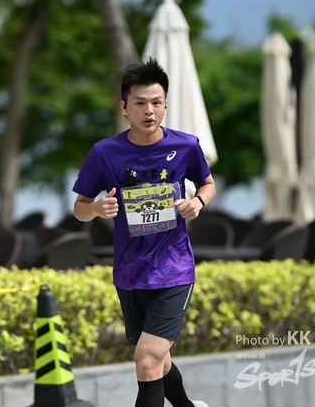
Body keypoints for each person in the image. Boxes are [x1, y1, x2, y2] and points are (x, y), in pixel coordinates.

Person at [72, 58, 215, 407]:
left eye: (156, 102)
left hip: (174, 268)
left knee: (147, 359)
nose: (149, 110)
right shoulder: (105, 153)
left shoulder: (186, 146)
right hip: (130, 272)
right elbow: (80, 208)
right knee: (159, 362)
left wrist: (198, 202)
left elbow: (208, 184)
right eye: (139, 103)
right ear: (124, 107)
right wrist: (96, 209)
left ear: (165, 105)